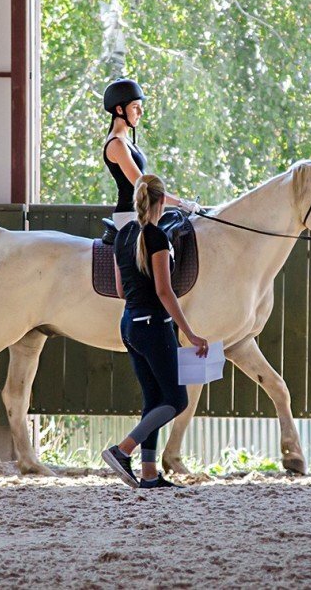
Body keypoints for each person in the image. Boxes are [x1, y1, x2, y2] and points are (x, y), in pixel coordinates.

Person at [102, 174, 209, 489]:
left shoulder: (123, 236)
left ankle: (148, 473)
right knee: (176, 400)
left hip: (130, 324)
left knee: (154, 399)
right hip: (153, 325)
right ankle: (123, 451)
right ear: (161, 201)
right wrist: (190, 332)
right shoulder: (157, 238)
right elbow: (165, 291)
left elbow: (122, 290)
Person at [102, 78, 200, 230]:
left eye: (141, 107)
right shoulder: (117, 144)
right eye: (135, 107)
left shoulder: (126, 141)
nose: (140, 113)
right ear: (119, 110)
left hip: (143, 213)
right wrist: (181, 203)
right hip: (130, 216)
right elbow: (144, 185)